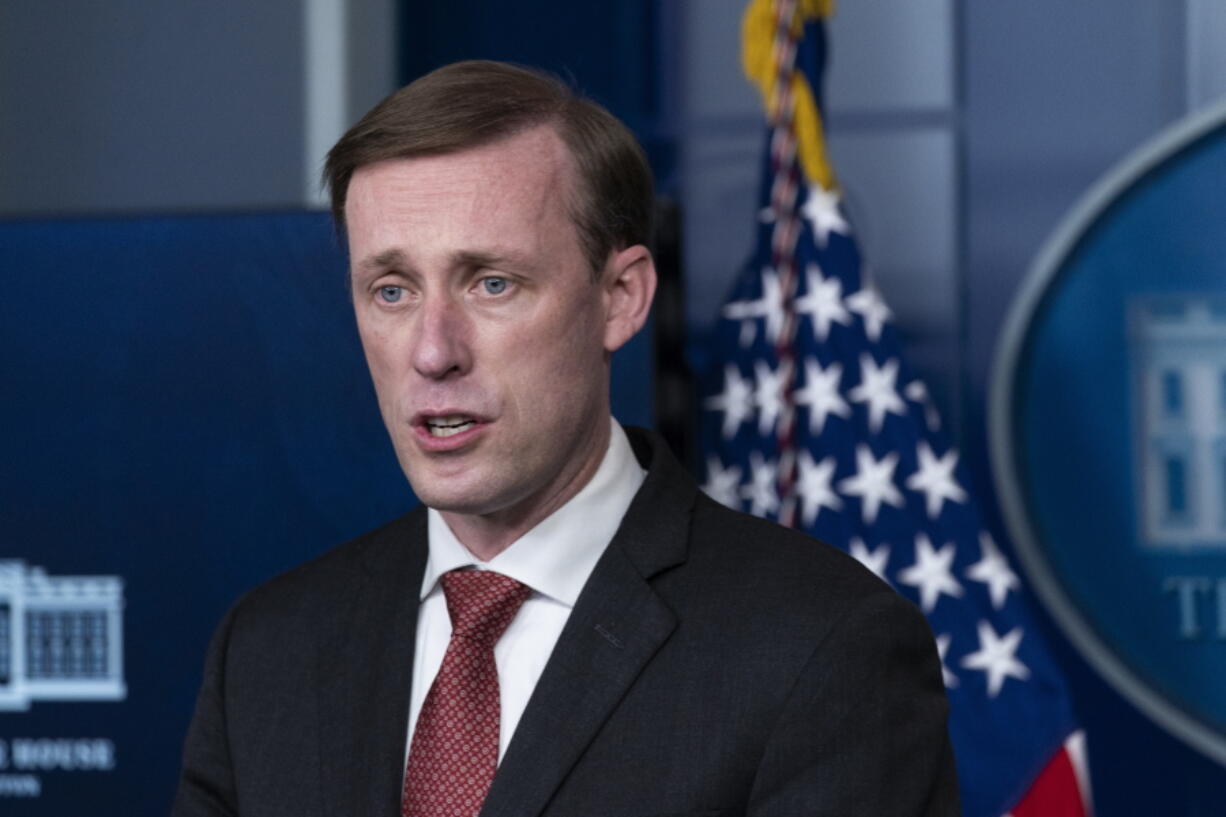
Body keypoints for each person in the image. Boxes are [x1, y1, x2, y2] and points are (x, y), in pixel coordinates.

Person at [172, 60, 959, 817]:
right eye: (392, 290)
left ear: (620, 298)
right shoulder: (269, 650)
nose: (432, 350)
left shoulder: (821, 646)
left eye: (492, 283)